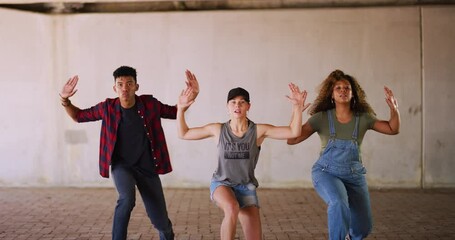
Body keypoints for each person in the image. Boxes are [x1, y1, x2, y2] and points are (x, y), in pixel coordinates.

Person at [59, 66, 199, 240]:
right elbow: (79, 116)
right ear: (114, 88)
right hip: (122, 166)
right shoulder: (107, 108)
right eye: (120, 84)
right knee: (126, 199)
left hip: (148, 168)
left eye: (129, 83)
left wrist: (191, 97)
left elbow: (174, 112)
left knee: (161, 221)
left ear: (136, 86)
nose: (125, 88)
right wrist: (65, 99)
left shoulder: (150, 105)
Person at [176, 80, 310, 240]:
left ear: (248, 106)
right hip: (222, 183)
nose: (237, 105)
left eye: (242, 102)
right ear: (227, 106)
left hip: (246, 187)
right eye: (233, 102)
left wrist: (297, 108)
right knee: (232, 208)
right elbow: (183, 133)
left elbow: (294, 132)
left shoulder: (259, 131)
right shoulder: (218, 130)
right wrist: (181, 109)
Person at [287, 70, 400, 240]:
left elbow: (393, 129)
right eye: (338, 88)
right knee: (338, 203)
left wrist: (394, 109)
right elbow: (292, 140)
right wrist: (297, 111)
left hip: (354, 176)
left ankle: (349, 236)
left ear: (353, 94)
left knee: (363, 228)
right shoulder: (321, 118)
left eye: (347, 88)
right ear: (331, 95)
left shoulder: (364, 118)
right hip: (326, 173)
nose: (343, 90)